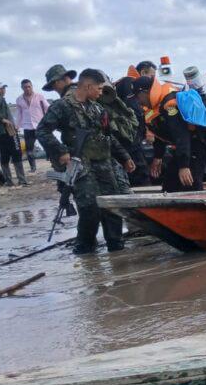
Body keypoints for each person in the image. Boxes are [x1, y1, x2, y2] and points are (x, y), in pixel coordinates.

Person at [37, 67, 135, 254]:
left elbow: (107, 137)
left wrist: (124, 157)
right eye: (98, 89)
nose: (101, 92)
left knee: (112, 205)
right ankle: (86, 249)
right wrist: (61, 152)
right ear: (88, 86)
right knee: (89, 208)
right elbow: (42, 130)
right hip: (81, 164)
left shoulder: (96, 107)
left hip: (104, 163)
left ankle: (116, 246)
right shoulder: (62, 106)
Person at [134, 77, 206, 192]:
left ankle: (195, 207)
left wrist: (184, 166)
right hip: (185, 148)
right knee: (170, 184)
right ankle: (170, 207)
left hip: (197, 143)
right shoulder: (154, 107)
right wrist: (158, 156)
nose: (137, 101)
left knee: (189, 182)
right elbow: (160, 133)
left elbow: (181, 135)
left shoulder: (170, 105)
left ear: (145, 92)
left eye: (137, 96)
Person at [0, 81, 26, 185]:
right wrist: (3, 119)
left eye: (4, 88)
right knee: (16, 153)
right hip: (7, 131)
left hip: (0, 132)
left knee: (5, 155)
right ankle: (22, 180)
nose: (3, 90)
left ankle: (9, 181)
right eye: (1, 88)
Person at [15, 79, 49, 173]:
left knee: (47, 145)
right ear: (22, 88)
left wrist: (49, 122)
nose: (27, 89)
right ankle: (33, 168)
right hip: (27, 127)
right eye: (25, 87)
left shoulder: (40, 97)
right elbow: (19, 114)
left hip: (40, 125)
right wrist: (17, 126)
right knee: (29, 150)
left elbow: (47, 109)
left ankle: (53, 162)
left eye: (29, 86)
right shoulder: (19, 99)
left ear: (32, 86)